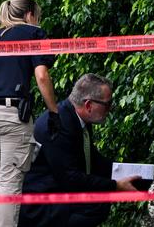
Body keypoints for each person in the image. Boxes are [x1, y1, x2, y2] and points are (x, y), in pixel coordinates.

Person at [0, 0, 58, 227]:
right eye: (37, 16)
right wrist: (54, 112)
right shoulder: (33, 33)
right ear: (30, 14)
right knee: (10, 181)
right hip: (10, 114)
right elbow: (41, 75)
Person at [18, 73, 140, 227]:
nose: (110, 109)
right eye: (107, 105)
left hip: (61, 191)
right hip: (42, 204)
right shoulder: (59, 125)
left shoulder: (79, 118)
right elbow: (70, 178)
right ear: (88, 105)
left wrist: (128, 171)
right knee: (96, 207)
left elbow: (92, 159)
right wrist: (115, 185)